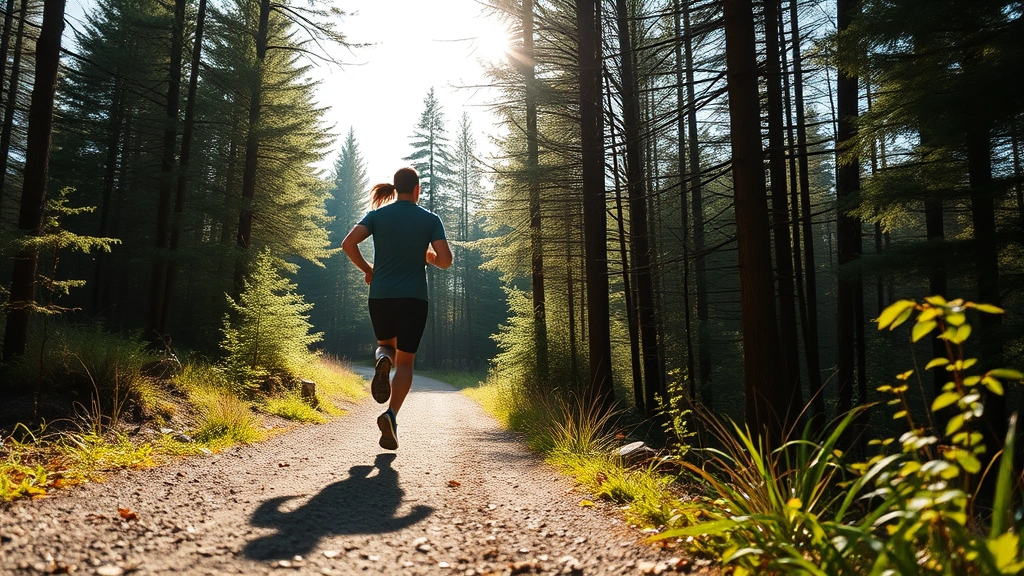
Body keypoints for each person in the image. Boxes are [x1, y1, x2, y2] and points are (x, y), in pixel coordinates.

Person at [341, 167, 452, 450]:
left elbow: (348, 243)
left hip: (381, 296)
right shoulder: (430, 219)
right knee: (406, 363)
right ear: (417, 190)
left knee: (385, 347)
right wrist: (426, 254)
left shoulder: (378, 216)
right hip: (414, 299)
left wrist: (369, 270)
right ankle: (391, 415)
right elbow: (445, 260)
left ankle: (382, 361)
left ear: (395, 188)